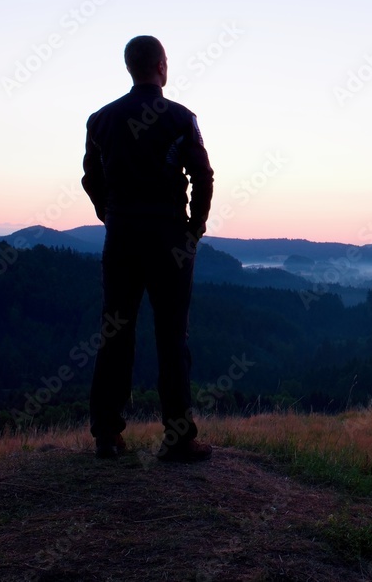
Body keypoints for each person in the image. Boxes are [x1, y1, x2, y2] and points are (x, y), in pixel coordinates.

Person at [81, 35, 214, 462]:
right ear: (161, 67)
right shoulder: (179, 118)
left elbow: (91, 178)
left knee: (115, 332)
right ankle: (177, 439)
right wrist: (194, 227)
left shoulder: (100, 121)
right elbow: (203, 175)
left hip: (121, 238)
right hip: (169, 241)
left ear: (129, 67)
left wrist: (110, 214)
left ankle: (106, 435)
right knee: (172, 336)